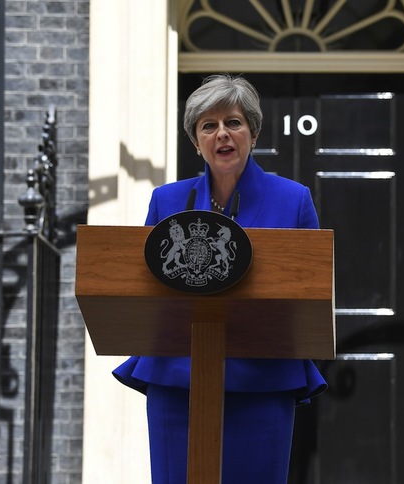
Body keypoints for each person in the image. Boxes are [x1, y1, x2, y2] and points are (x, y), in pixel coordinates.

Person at [113, 74, 327, 483]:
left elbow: (312, 293)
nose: (222, 134)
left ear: (254, 132)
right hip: (177, 383)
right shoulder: (167, 201)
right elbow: (142, 290)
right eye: (208, 126)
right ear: (196, 142)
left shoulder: (294, 199)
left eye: (233, 122)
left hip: (263, 384)